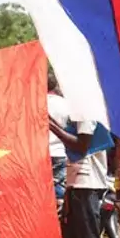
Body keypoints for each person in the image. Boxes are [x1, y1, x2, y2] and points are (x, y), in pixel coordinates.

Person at [48, 117, 109, 238]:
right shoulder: (79, 112)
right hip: (77, 183)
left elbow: (81, 145)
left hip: (87, 184)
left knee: (87, 236)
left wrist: (51, 125)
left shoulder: (86, 113)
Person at [48, 72, 70, 204]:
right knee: (58, 188)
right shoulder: (65, 104)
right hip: (60, 151)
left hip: (39, 154)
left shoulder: (33, 103)